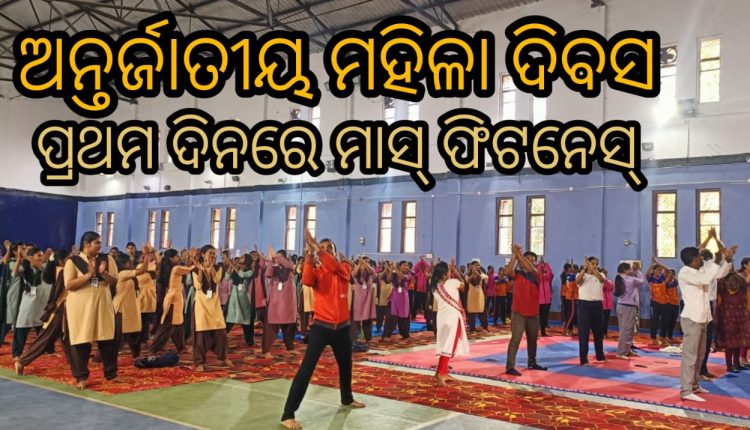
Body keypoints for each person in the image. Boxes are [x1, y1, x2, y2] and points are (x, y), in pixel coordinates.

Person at [281, 229, 365, 430]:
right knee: (306, 370)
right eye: (323, 248)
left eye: (329, 248)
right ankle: (288, 415)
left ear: (334, 252)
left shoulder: (344, 267)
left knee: (346, 366)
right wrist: (310, 255)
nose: (325, 250)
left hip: (342, 328)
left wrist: (317, 248)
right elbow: (307, 280)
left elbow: (334, 266)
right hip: (321, 328)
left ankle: (347, 398)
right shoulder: (317, 272)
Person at [677, 243, 734, 402]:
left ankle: (695, 384)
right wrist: (718, 260)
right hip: (692, 318)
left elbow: (718, 275)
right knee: (690, 356)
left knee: (700, 355)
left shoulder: (699, 270)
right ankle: (686, 390)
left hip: (704, 317)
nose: (702, 259)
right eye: (700, 257)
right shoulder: (685, 272)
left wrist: (727, 261)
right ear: (694, 259)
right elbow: (706, 278)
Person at [64, 232, 119, 390]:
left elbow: (114, 281)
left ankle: (111, 374)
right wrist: (88, 275)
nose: (100, 246)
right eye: (97, 243)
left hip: (102, 304)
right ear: (86, 244)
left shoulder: (107, 259)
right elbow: (69, 285)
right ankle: (81, 377)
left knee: (108, 339)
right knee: (81, 341)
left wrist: (103, 273)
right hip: (81, 307)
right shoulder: (73, 262)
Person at [505, 244, 547, 376]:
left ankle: (532, 362)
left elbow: (530, 268)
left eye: (533, 260)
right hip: (518, 312)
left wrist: (519, 254)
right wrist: (514, 256)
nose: (530, 262)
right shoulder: (518, 275)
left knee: (532, 339)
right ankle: (510, 366)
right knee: (515, 339)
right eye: (528, 259)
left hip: (533, 313)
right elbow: (508, 272)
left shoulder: (537, 274)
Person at [192, 245, 232, 372]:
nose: (213, 255)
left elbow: (217, 279)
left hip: (214, 304)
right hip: (201, 304)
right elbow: (198, 285)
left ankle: (223, 357)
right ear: (203, 255)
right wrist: (201, 270)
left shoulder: (218, 268)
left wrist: (211, 267)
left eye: (214, 253)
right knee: (201, 335)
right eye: (210, 253)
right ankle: (199, 362)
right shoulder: (195, 268)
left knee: (221, 332)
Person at [11, 248, 53, 361]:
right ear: (31, 257)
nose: (41, 257)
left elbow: (42, 267)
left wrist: (26, 257)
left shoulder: (45, 267)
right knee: (22, 328)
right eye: (38, 255)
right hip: (29, 304)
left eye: (42, 255)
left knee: (44, 330)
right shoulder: (26, 268)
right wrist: (20, 259)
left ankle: (47, 350)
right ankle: (17, 353)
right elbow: (14, 274)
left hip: (43, 303)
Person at [433, 259, 469, 386]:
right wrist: (456, 272)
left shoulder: (435, 287)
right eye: (449, 270)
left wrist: (451, 272)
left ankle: (442, 372)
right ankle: (440, 374)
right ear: (445, 274)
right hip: (453, 318)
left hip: (442, 318)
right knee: (449, 345)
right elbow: (464, 286)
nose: (450, 272)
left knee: (445, 345)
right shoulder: (453, 282)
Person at [150, 249, 190, 354]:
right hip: (171, 301)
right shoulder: (173, 269)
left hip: (175, 299)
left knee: (178, 324)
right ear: (171, 258)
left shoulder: (170, 268)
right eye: (177, 256)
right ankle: (154, 348)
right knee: (168, 325)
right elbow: (188, 270)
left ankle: (181, 347)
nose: (179, 257)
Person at [714, 257, 750, 372]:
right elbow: (746, 296)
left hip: (728, 313)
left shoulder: (721, 282)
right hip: (738, 313)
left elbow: (719, 299)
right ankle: (734, 364)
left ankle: (731, 365)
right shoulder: (740, 280)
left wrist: (717, 314)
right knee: (736, 341)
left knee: (731, 341)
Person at [263, 246, 297, 358]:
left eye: (280, 257)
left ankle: (290, 348)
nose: (277, 259)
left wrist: (277, 258)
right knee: (271, 327)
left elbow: (288, 266)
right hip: (276, 303)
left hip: (288, 303)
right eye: (276, 256)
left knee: (289, 327)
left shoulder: (290, 265)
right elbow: (268, 274)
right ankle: (266, 350)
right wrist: (271, 260)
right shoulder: (274, 267)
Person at [575, 257, 606, 366]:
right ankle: (583, 359)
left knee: (598, 333)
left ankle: (600, 355)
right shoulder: (582, 275)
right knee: (584, 333)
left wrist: (592, 268)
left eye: (597, 264)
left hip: (597, 305)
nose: (595, 265)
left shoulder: (601, 274)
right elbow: (577, 281)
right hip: (584, 305)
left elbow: (601, 280)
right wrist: (584, 268)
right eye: (593, 263)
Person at [614, 261, 645, 359]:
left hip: (621, 305)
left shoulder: (619, 277)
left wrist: (634, 271)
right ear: (625, 270)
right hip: (628, 307)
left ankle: (627, 350)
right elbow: (642, 281)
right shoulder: (630, 279)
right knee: (627, 330)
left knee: (625, 330)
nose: (632, 270)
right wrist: (637, 270)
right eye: (630, 269)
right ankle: (621, 352)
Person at [350, 256, 376, 342]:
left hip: (368, 298)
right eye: (364, 262)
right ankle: (357, 336)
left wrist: (363, 262)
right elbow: (354, 274)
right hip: (358, 298)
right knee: (356, 318)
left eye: (368, 262)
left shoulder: (371, 271)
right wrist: (360, 264)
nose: (366, 264)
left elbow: (371, 271)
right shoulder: (357, 271)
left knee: (367, 318)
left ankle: (368, 337)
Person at [537, 257, 553, 337]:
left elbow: (550, 274)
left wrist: (546, 265)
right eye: (542, 267)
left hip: (546, 300)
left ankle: (543, 332)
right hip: (538, 300)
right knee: (536, 317)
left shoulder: (547, 277)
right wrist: (540, 265)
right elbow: (538, 275)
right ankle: (534, 332)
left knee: (544, 317)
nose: (543, 268)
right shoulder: (537, 277)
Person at [602, 269, 614, 338]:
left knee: (606, 320)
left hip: (608, 304)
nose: (605, 274)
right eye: (604, 273)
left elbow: (611, 288)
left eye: (606, 273)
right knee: (600, 320)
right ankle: (599, 333)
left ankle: (605, 333)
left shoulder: (609, 281)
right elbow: (602, 288)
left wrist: (605, 280)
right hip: (601, 304)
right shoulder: (599, 282)